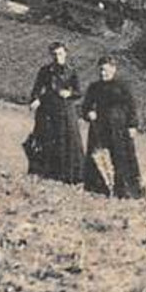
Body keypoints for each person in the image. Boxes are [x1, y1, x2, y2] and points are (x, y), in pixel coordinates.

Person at [81, 56, 143, 200]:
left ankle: (125, 190)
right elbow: (86, 106)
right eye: (101, 70)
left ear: (114, 70)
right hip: (100, 128)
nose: (103, 73)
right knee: (99, 156)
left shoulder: (123, 86)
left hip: (119, 129)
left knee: (121, 157)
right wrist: (89, 112)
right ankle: (99, 187)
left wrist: (133, 125)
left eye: (107, 70)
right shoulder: (94, 87)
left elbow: (131, 107)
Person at [25, 41, 83, 185]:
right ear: (51, 55)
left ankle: (68, 175)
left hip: (66, 111)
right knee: (47, 139)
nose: (58, 57)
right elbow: (37, 88)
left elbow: (79, 92)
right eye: (55, 54)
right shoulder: (45, 71)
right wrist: (36, 99)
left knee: (67, 142)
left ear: (66, 54)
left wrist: (69, 93)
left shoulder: (72, 71)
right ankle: (47, 172)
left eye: (60, 54)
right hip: (48, 110)